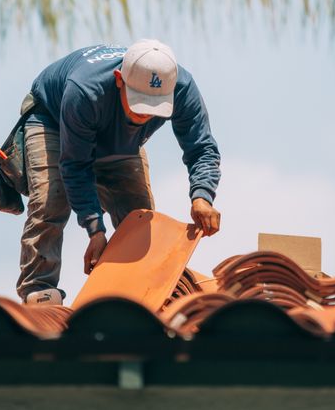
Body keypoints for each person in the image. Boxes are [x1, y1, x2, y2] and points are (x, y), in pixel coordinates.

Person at [16, 40, 221, 305]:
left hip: (120, 140)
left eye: (153, 107)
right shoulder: (84, 90)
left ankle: (142, 296)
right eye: (138, 104)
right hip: (53, 122)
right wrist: (95, 230)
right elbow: (76, 166)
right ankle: (39, 294)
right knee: (51, 199)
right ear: (119, 80)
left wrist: (202, 196)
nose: (144, 115)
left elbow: (202, 148)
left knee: (140, 219)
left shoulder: (181, 87)